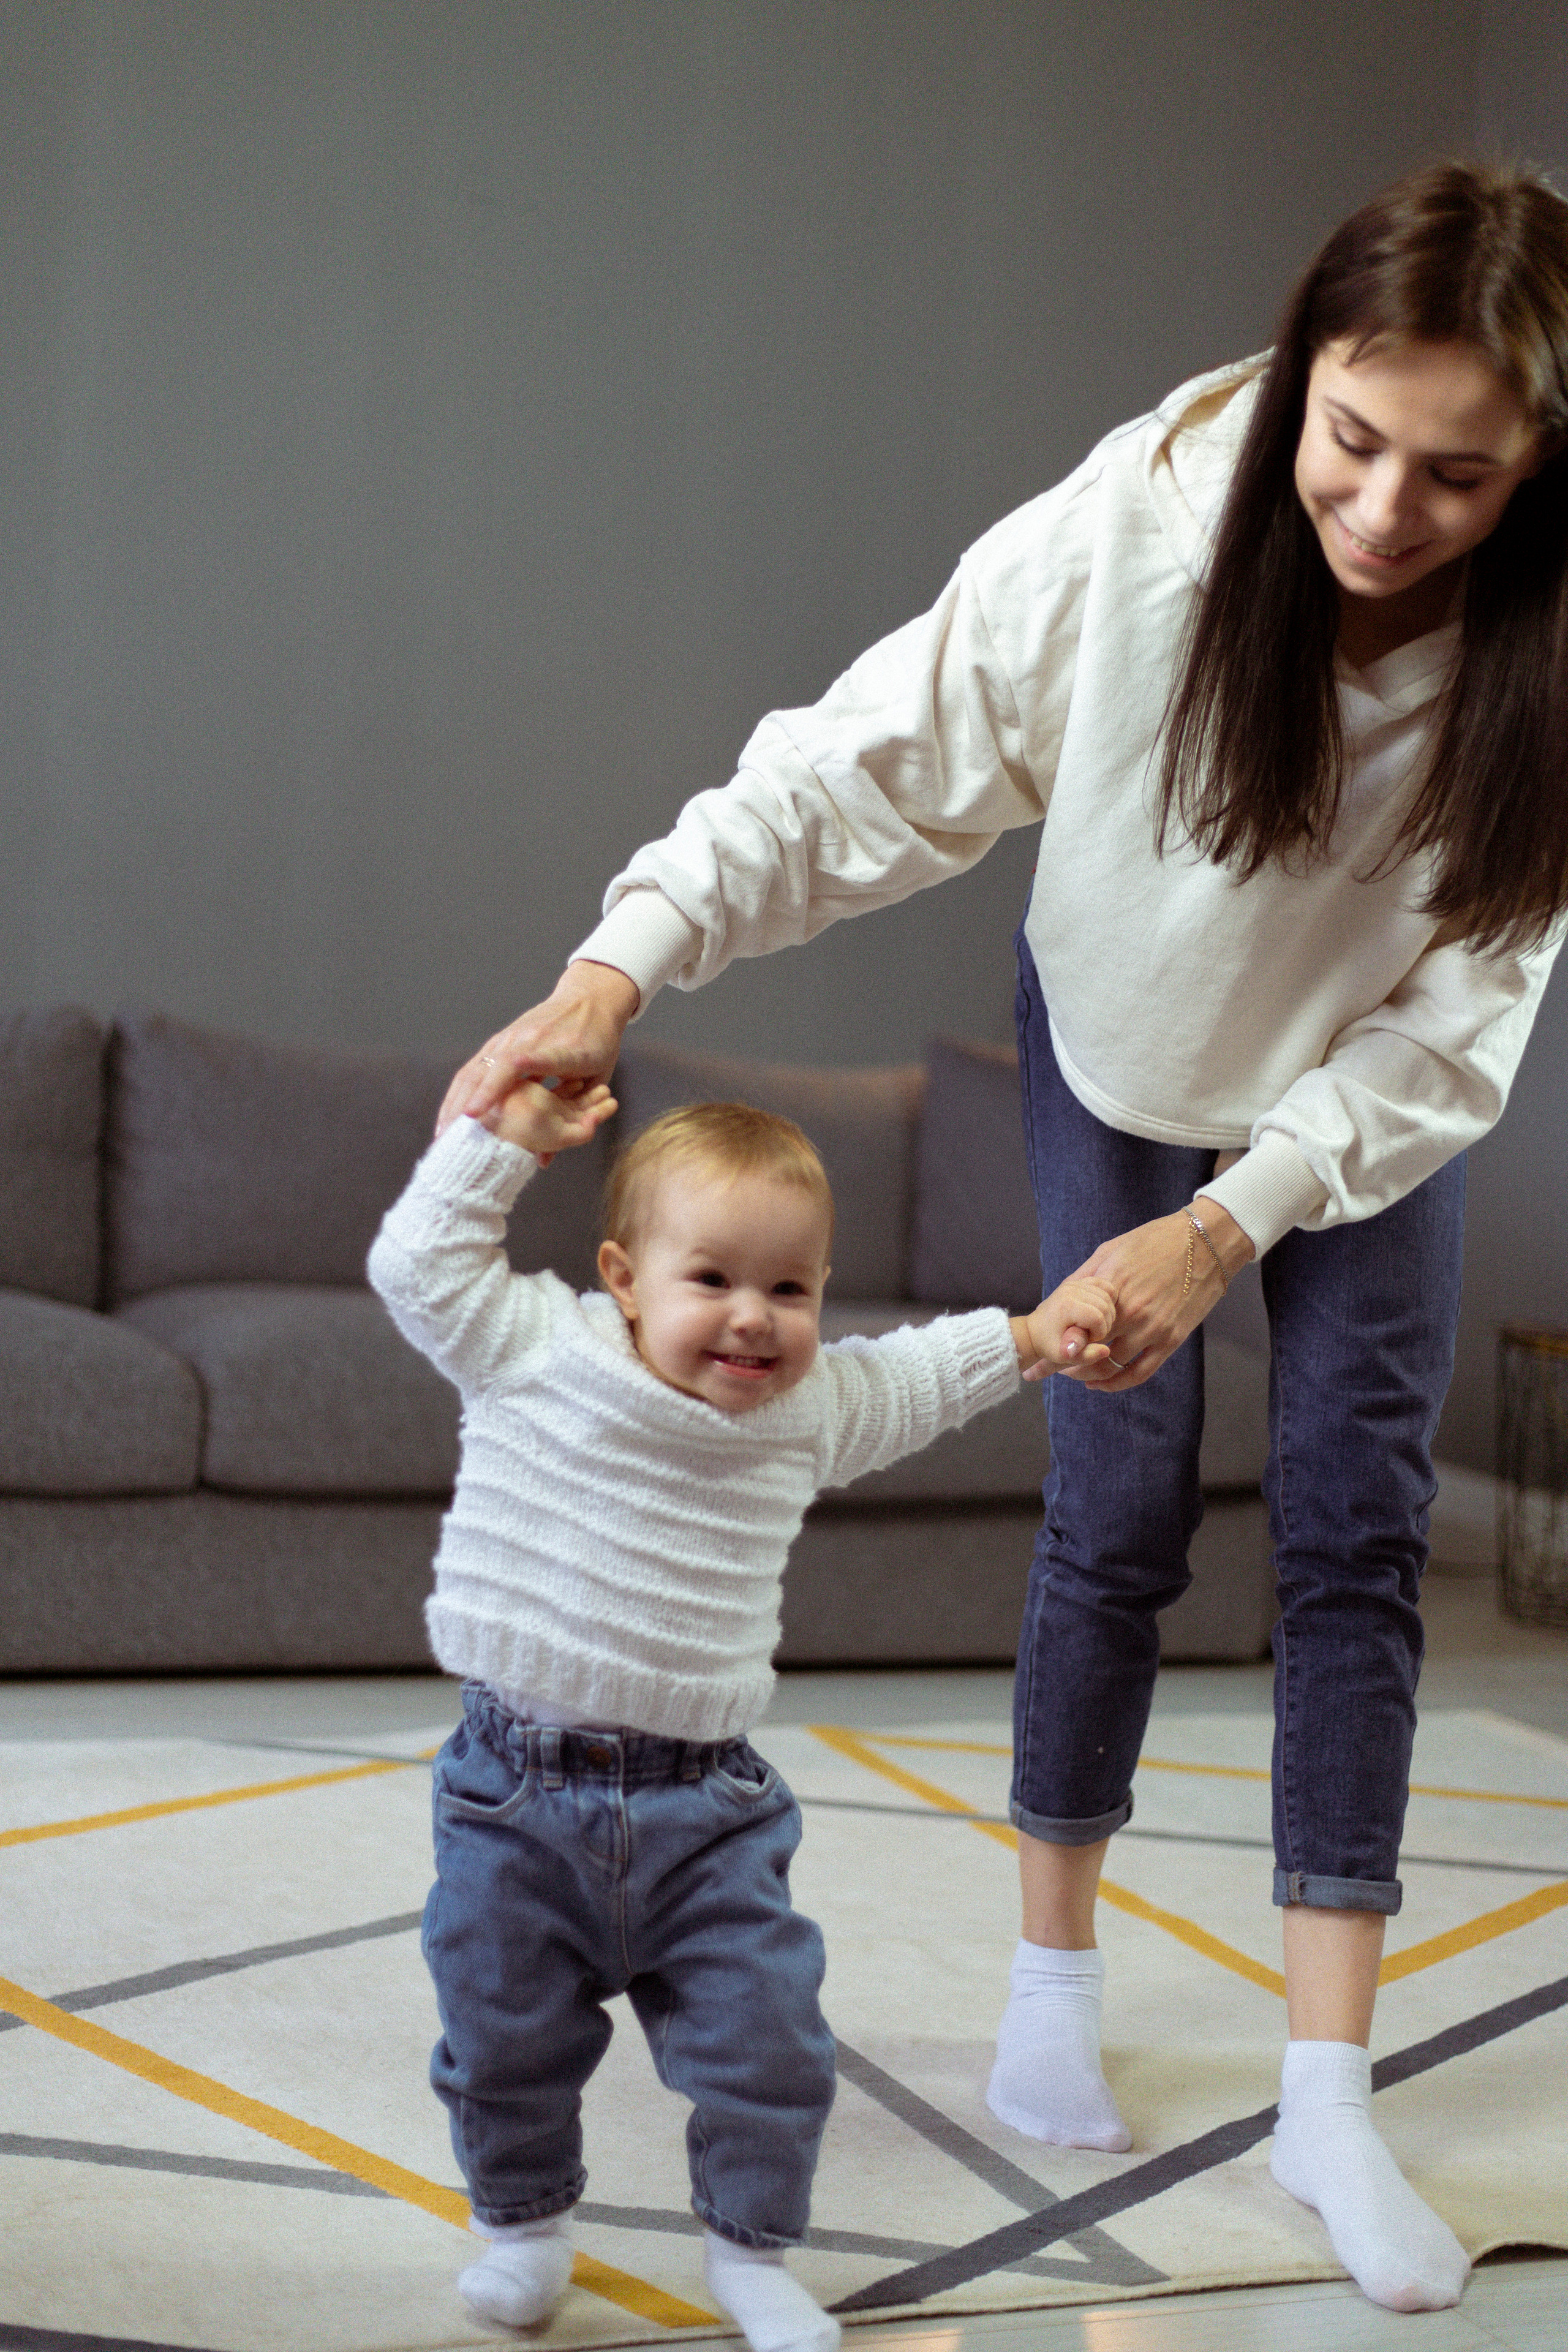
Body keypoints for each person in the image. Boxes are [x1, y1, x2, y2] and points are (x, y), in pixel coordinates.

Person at [437, 160, 1568, 2315]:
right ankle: (1054, 1980)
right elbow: (867, 766)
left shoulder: (1553, 659)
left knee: (1350, 1530)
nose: (1388, 510)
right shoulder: (1142, 528)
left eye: (1461, 474)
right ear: (1302, 378)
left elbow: (1464, 1016)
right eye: (1350, 438)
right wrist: (621, 963)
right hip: (1127, 1054)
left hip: (1369, 1109)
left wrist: (1236, 1228)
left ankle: (1333, 2086)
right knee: (1119, 1508)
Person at [368, 1077, 1117, 2344]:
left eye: (790, 1289)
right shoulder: (531, 1345)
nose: (753, 1320)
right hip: (510, 1796)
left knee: (767, 2045)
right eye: (711, 1278)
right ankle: (522, 2224)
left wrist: (1036, 1337)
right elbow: (415, 1264)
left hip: (704, 1812)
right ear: (621, 1274)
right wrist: (498, 1145)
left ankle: (752, 2249)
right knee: (501, 2042)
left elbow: (921, 1377)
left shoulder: (808, 1411)